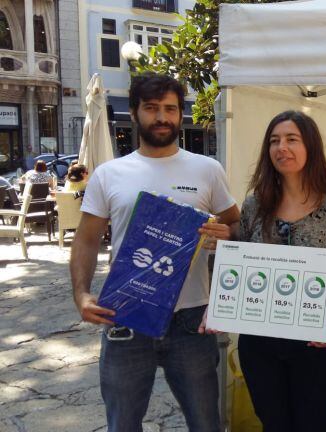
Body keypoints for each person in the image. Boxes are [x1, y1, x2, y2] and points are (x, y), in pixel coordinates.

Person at [69, 73, 240, 432]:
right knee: (123, 424)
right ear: (134, 113)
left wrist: (225, 234)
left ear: (180, 114)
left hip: (191, 319)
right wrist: (82, 294)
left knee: (206, 423)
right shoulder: (109, 174)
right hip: (126, 313)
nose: (162, 117)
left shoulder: (208, 170)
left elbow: (236, 224)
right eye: (151, 108)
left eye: (170, 109)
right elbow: (86, 239)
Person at [231, 111, 326, 432]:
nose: (281, 148)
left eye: (292, 139)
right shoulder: (253, 206)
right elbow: (241, 266)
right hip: (259, 342)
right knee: (273, 423)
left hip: (315, 343)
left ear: (310, 147)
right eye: (274, 141)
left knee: (313, 424)